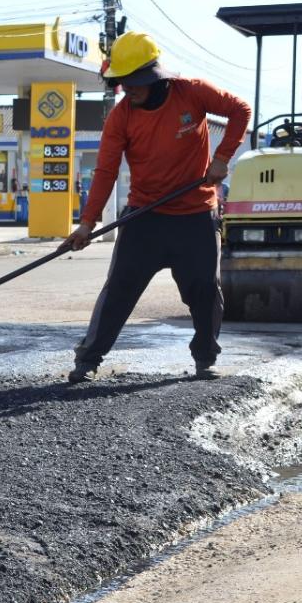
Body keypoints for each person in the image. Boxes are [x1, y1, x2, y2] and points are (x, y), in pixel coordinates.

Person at [61, 31, 251, 383]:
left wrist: (222, 157)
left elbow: (240, 110)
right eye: (121, 83)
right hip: (144, 217)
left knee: (205, 290)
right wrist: (87, 224)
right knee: (118, 289)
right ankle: (88, 359)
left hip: (195, 216)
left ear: (153, 76)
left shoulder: (191, 92)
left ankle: (205, 358)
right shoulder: (121, 118)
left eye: (132, 82)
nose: (126, 90)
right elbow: (105, 171)